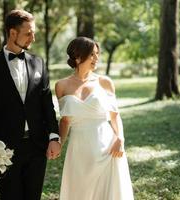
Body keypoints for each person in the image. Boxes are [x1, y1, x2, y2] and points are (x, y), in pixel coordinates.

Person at [0, 9, 61, 200]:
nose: (33, 38)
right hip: (4, 148)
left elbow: (47, 105)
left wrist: (54, 137)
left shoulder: (38, 63)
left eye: (34, 33)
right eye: (28, 33)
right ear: (12, 33)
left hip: (37, 145)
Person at [55, 37, 134, 200]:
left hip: (107, 147)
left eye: (97, 54)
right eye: (92, 55)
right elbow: (65, 121)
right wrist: (59, 144)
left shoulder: (105, 82)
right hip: (79, 148)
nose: (96, 59)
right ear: (77, 57)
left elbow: (115, 115)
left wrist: (120, 138)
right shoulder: (61, 85)